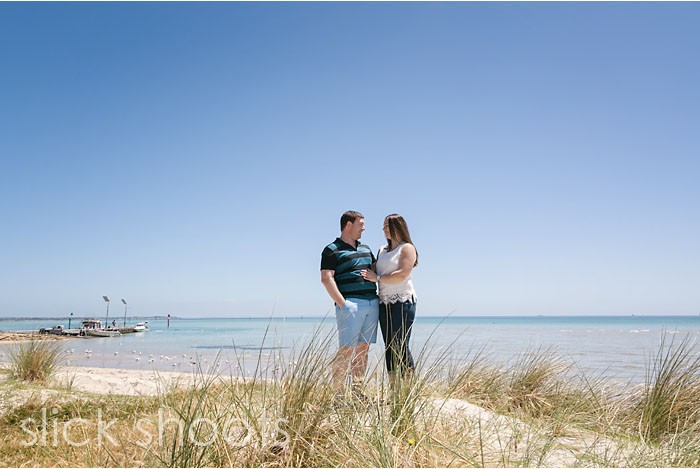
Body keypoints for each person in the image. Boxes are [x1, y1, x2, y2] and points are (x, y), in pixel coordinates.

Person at [321, 210, 379, 395]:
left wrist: (378, 278)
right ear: (348, 225)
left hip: (372, 303)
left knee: (363, 349)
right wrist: (342, 303)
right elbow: (326, 278)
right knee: (346, 351)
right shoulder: (331, 249)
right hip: (350, 304)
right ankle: (338, 394)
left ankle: (357, 393)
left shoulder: (366, 249)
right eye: (360, 224)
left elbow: (376, 270)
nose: (364, 228)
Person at [361, 213, 418, 384]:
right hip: (383, 302)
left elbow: (402, 274)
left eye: (387, 225)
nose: (384, 229)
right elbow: (373, 269)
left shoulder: (407, 248)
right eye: (384, 226)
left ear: (398, 226)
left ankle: (408, 388)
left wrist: (377, 278)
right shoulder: (382, 250)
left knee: (400, 346)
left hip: (403, 301)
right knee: (389, 347)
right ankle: (394, 389)